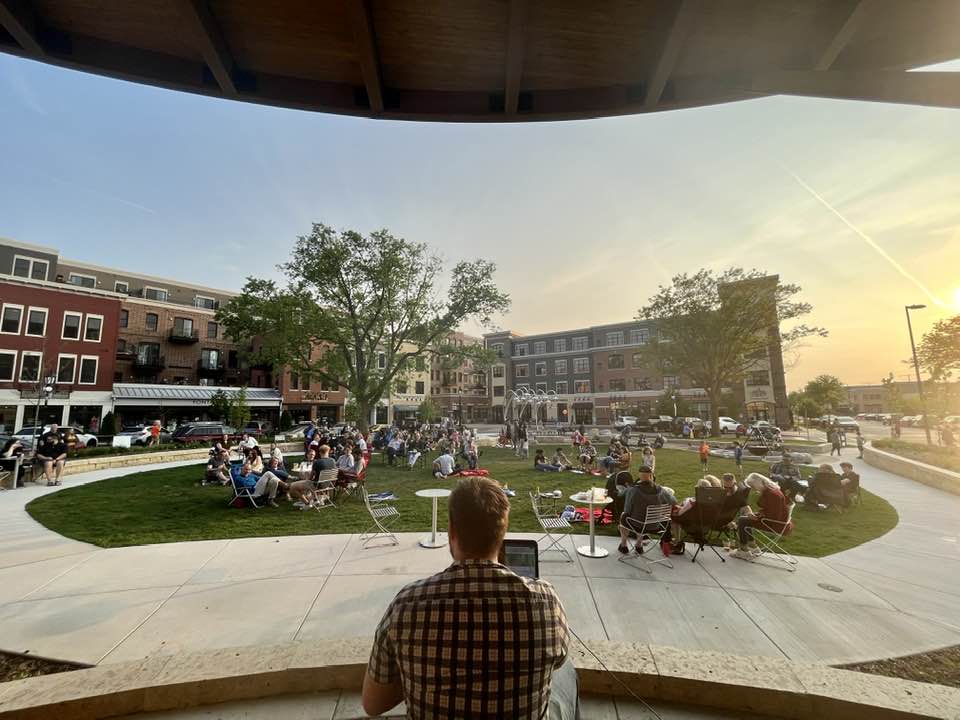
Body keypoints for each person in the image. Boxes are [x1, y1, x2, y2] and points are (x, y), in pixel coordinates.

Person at [362, 476, 577, 720]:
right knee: (566, 671)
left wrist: (420, 674)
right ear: (503, 530)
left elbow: (373, 704)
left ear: (452, 531)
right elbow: (556, 662)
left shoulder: (407, 606)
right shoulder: (546, 602)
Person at [617, 465, 677, 555]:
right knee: (641, 519)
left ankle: (624, 545)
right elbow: (673, 501)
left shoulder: (633, 490)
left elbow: (627, 510)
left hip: (638, 525)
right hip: (656, 525)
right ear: (651, 476)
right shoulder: (661, 490)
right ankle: (638, 546)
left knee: (624, 515)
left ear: (639, 476)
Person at [733, 473, 791, 559]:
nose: (753, 489)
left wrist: (758, 517)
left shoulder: (772, 495)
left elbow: (774, 515)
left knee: (742, 520)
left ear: (758, 483)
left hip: (776, 525)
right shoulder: (772, 489)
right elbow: (771, 511)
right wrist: (757, 515)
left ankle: (744, 550)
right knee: (746, 520)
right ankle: (753, 547)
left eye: (753, 486)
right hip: (781, 522)